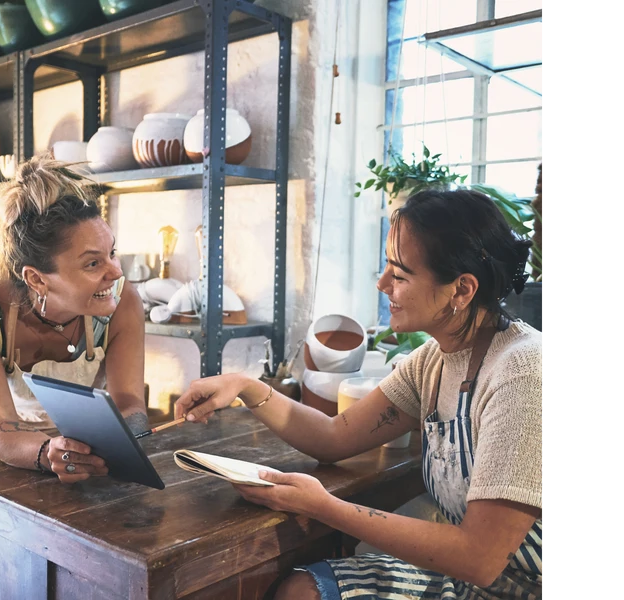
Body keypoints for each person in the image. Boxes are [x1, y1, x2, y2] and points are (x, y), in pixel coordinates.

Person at [174, 188, 543, 599]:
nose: (382, 283)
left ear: (461, 290)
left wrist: (322, 506)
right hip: (467, 583)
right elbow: (334, 438)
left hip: (521, 587)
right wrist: (245, 387)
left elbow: (480, 558)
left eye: (400, 275)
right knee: (303, 591)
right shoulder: (433, 362)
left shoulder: (524, 372)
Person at [0, 153, 148, 600]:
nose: (115, 272)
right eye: (92, 263)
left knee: (32, 550)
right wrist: (49, 453)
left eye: (112, 254)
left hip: (46, 422)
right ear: (36, 280)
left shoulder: (122, 302)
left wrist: (129, 433)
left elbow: (129, 401)